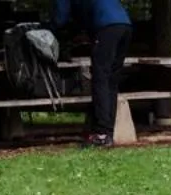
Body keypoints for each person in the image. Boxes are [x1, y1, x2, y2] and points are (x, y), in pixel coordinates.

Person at [54, 0, 132, 149]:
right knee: (111, 81)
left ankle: (101, 133)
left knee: (100, 78)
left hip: (106, 27)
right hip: (125, 25)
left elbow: (60, 18)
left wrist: (50, 29)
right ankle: (107, 132)